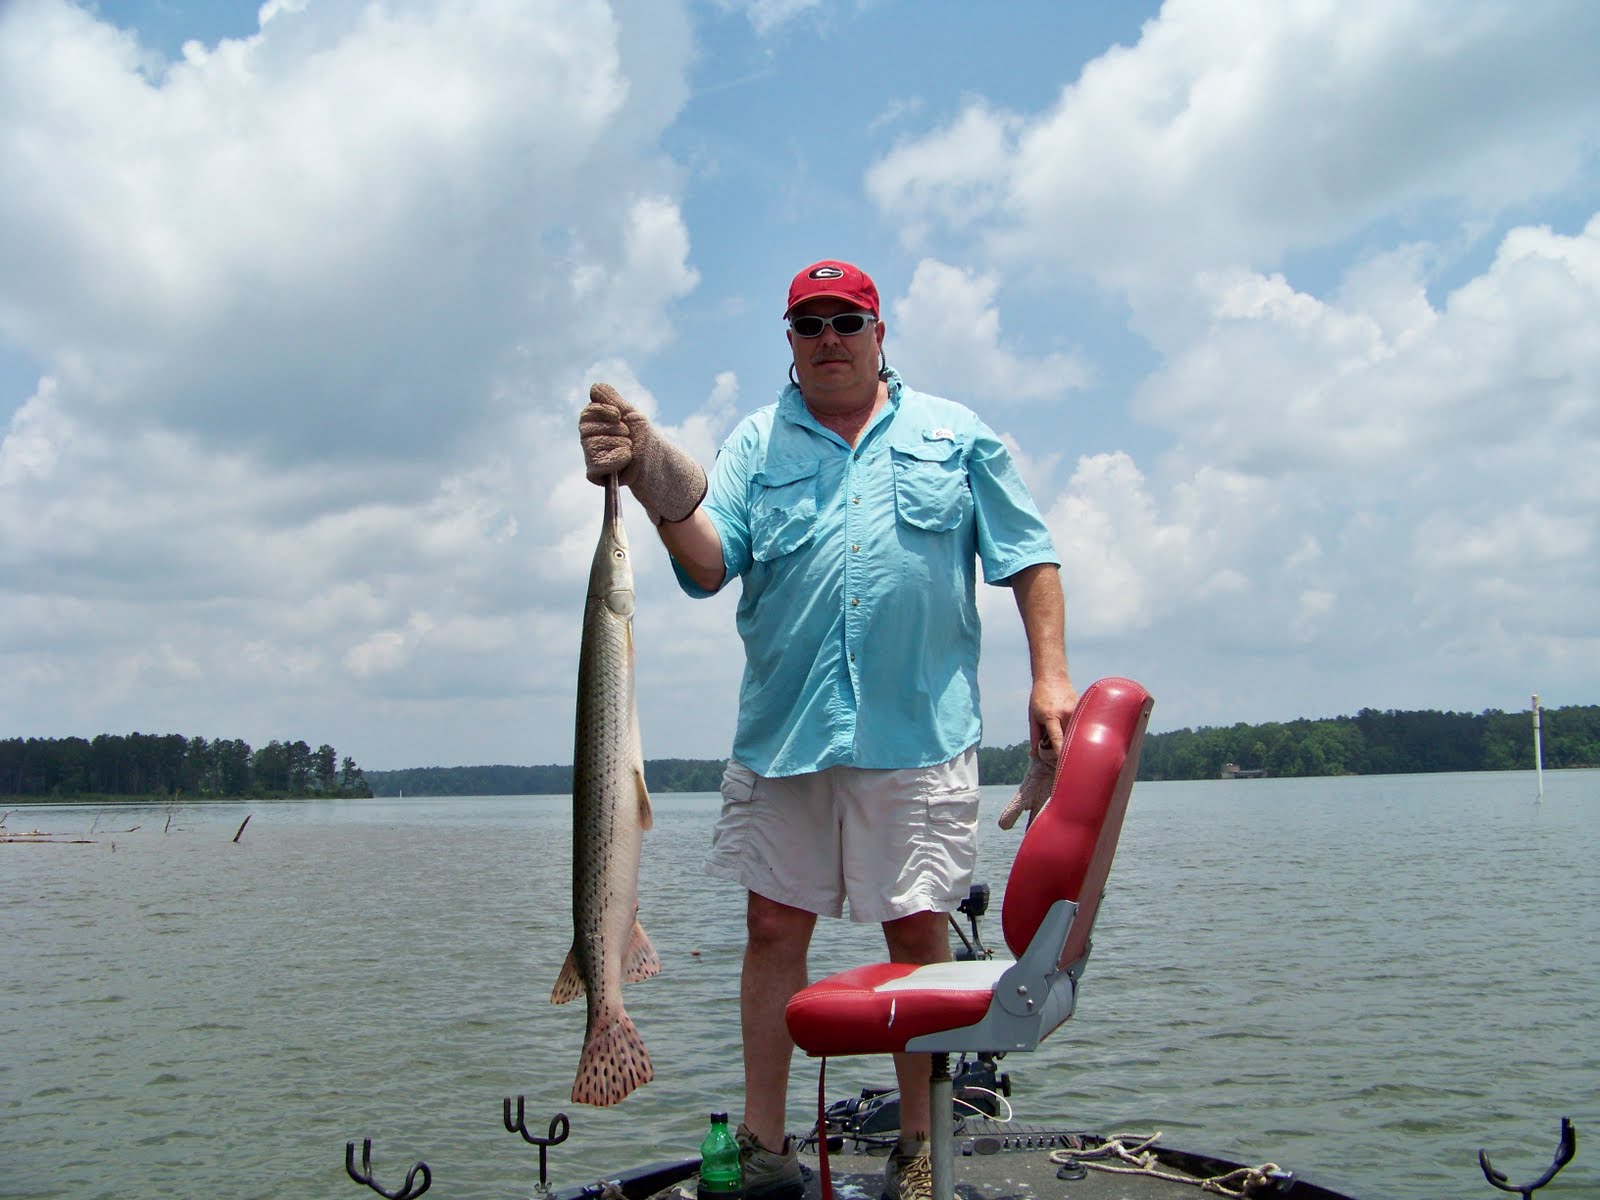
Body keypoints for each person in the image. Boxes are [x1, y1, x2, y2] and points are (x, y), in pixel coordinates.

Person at [578, 259, 1077, 1200]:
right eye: (809, 324)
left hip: (921, 734)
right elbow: (707, 559)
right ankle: (767, 1148)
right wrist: (649, 473)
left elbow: (1029, 554)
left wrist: (1050, 673)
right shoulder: (757, 442)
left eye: (846, 320)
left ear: (880, 333)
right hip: (784, 736)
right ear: (791, 341)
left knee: (918, 934)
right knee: (771, 930)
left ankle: (921, 1146)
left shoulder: (954, 434)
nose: (829, 338)